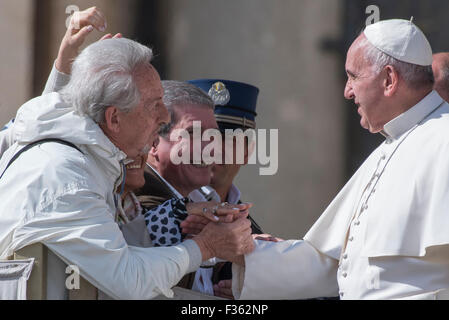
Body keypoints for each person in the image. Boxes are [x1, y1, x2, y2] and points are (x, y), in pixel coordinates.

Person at [0, 35, 255, 300]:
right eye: (154, 106)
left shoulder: (80, 159)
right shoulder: (67, 176)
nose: (165, 117)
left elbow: (111, 247)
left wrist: (181, 214)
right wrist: (206, 246)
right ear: (114, 118)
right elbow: (128, 281)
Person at [227, 19, 449, 300]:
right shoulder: (388, 148)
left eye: (354, 76)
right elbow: (337, 263)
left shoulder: (443, 140)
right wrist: (239, 251)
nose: (347, 91)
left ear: (389, 80)